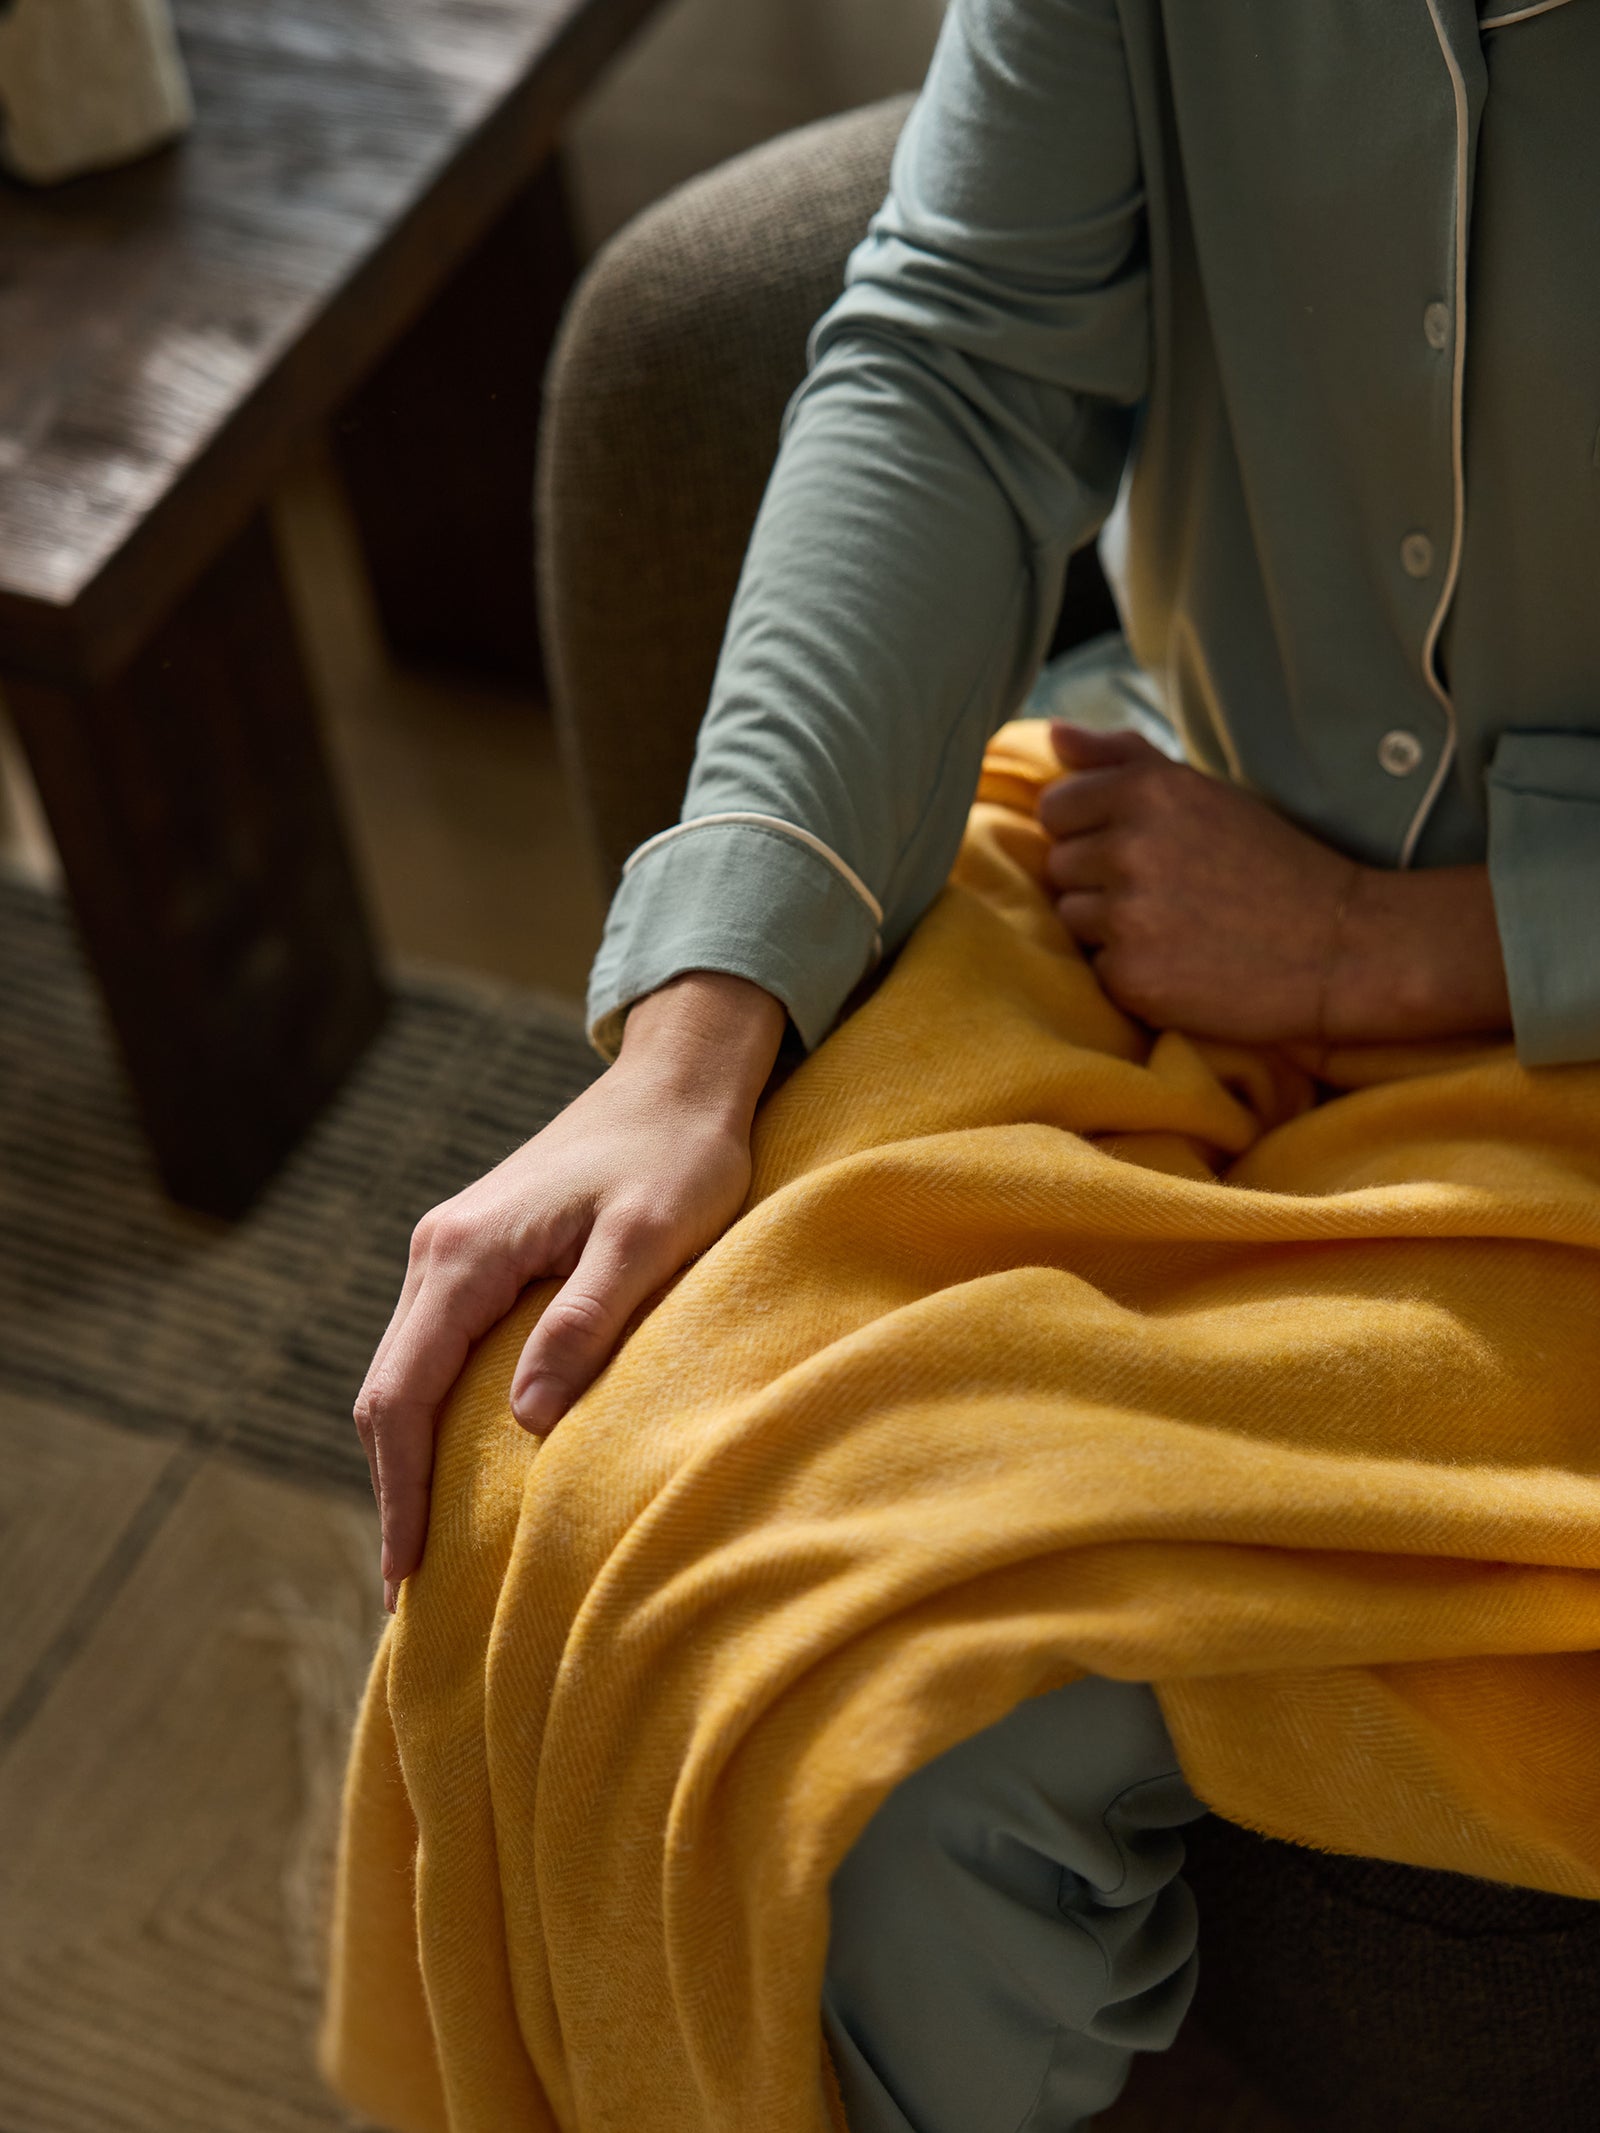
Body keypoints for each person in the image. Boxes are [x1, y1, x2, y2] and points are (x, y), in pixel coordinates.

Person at [350, 3, 1600, 2124]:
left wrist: (1418, 940)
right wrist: (699, 1023)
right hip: (1161, 855)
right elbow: (955, 355)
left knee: (915, 1746)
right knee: (568, 1491)